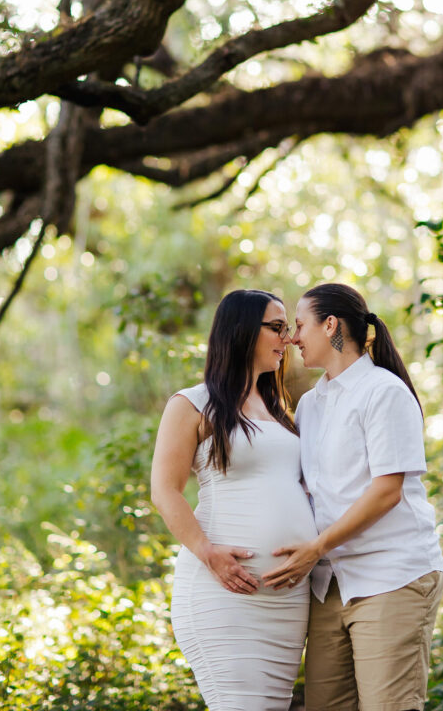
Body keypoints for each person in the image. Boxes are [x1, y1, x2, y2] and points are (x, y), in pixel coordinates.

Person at [262, 282, 443, 711]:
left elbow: (387, 492)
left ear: (331, 326)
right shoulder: (310, 405)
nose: (291, 338)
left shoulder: (384, 392)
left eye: (300, 325)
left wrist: (316, 547)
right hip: (331, 585)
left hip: (391, 576)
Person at [150, 288, 317, 711]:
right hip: (225, 590)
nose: (289, 338)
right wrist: (208, 553)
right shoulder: (192, 403)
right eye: (277, 327)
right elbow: (164, 490)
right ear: (243, 331)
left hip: (286, 600)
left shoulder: (278, 409)